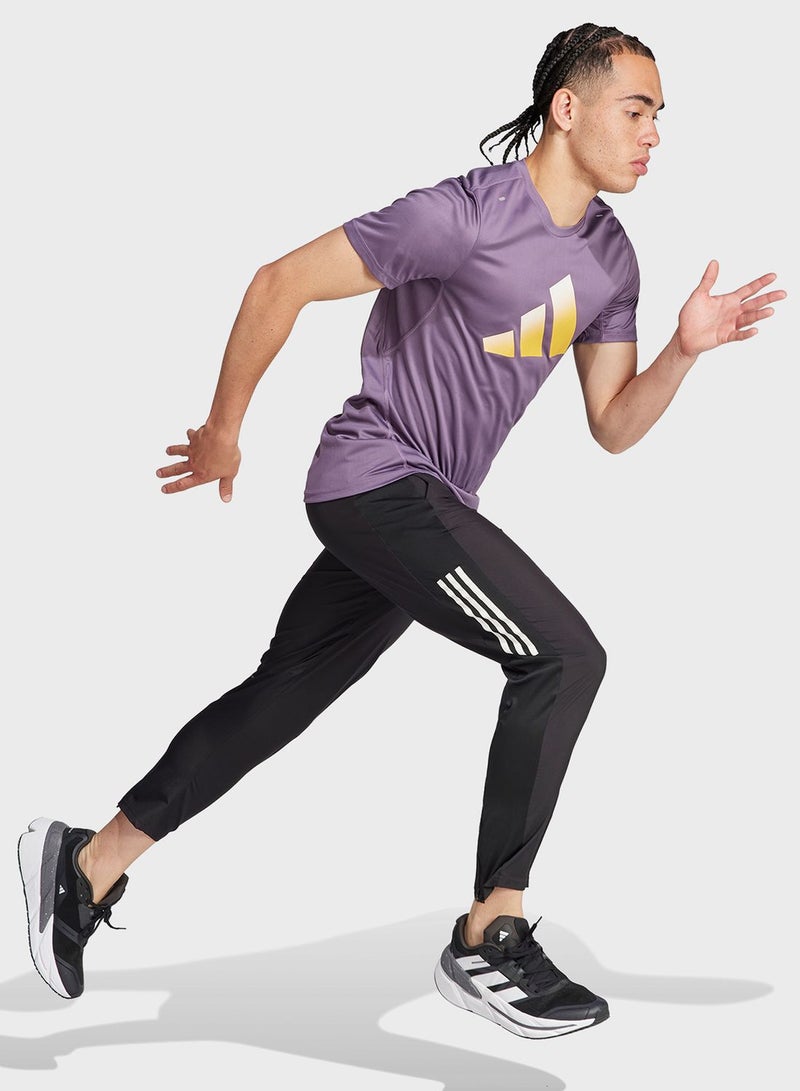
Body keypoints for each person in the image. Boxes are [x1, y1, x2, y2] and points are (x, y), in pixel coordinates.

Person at [18, 22, 784, 1039]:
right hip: (377, 480)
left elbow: (611, 424)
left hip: (425, 504)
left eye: (659, 116)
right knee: (562, 656)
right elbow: (279, 281)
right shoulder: (460, 216)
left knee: (284, 693)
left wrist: (682, 351)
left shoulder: (611, 258)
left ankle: (84, 864)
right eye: (636, 109)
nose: (653, 134)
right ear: (567, 108)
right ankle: (490, 932)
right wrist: (224, 431)